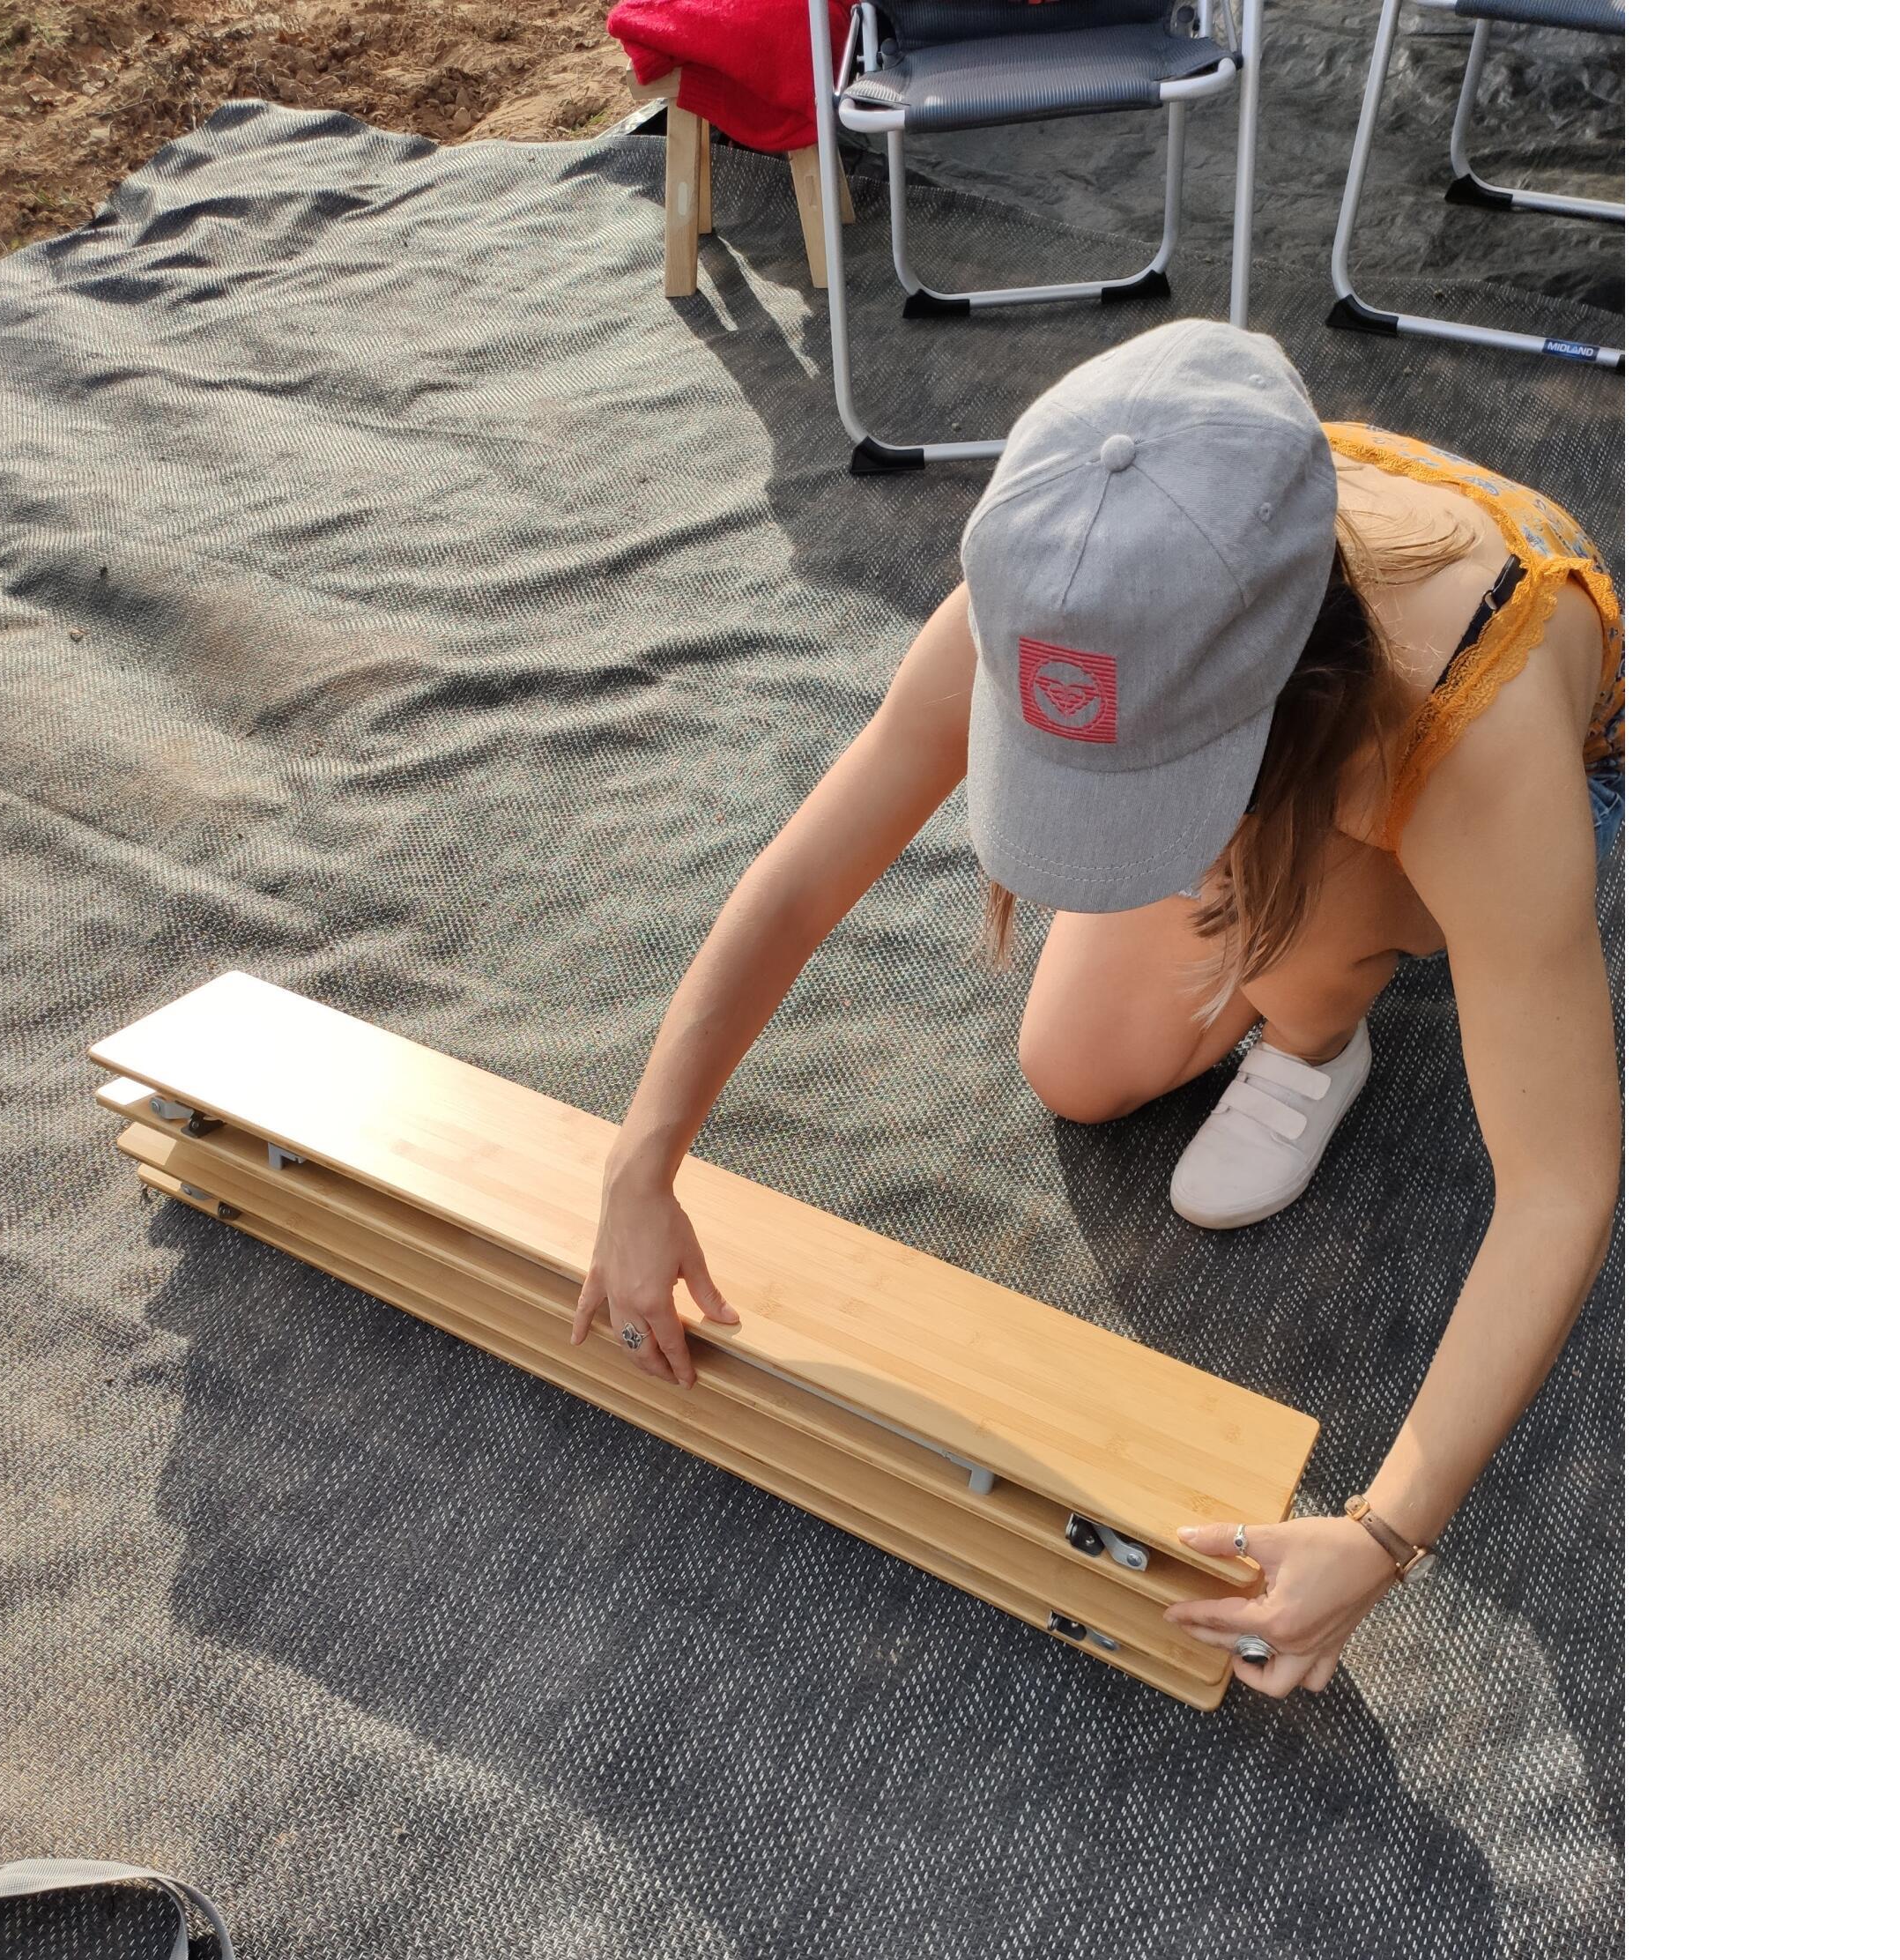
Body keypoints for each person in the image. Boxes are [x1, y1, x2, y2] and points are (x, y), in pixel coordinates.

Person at [569, 320, 1623, 1698]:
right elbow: (805, 877)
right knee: (1078, 1065)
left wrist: (1382, 1532)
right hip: (1282, 676)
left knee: (1305, 916)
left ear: (1279, 711)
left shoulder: (1471, 739)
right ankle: (1271, 922)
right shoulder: (1055, 592)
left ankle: (1318, 1028)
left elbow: (1561, 1183)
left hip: (1453, 723)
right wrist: (641, 1159)